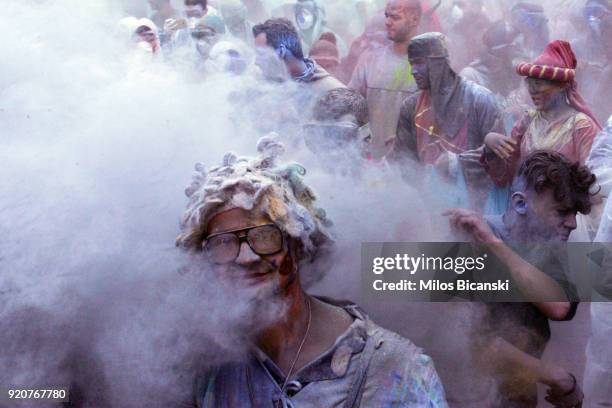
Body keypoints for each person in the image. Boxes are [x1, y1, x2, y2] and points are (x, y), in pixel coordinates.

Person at [177, 138, 449, 407]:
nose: (246, 257)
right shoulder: (208, 368)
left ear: (297, 243)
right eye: (224, 242)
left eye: (264, 236)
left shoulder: (398, 370)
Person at [445, 150, 593, 407]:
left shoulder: (557, 252)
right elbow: (471, 340)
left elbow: (559, 306)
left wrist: (494, 245)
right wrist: (557, 377)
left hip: (519, 395)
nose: (571, 223)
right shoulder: (470, 238)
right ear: (521, 203)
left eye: (574, 214)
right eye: (561, 212)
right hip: (469, 395)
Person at [391, 32, 503, 210]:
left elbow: (501, 158)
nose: (413, 71)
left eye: (419, 63)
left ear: (439, 62)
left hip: (476, 207)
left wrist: (456, 163)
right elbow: (404, 163)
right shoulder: (410, 107)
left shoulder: (480, 99)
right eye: (411, 64)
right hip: (430, 209)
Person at [482, 40, 602, 188]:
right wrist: (490, 147)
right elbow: (506, 178)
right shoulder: (527, 121)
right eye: (530, 83)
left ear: (562, 86)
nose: (532, 90)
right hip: (524, 209)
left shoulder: (582, 127)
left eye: (538, 84)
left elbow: (592, 185)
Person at [349, 0, 422, 159]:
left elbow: (436, 122)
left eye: (395, 17)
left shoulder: (427, 66)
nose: (387, 22)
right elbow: (350, 105)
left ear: (415, 20)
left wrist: (407, 141)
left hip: (409, 167)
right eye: (387, 16)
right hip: (369, 164)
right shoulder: (369, 60)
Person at [252, 18, 346, 108]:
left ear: (281, 51)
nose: (256, 62)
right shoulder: (265, 85)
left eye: (261, 54)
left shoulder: (333, 94)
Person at [304, 88, 372, 174]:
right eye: (315, 134)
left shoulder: (381, 180)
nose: (327, 147)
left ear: (366, 138)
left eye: (340, 135)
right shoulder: (304, 173)